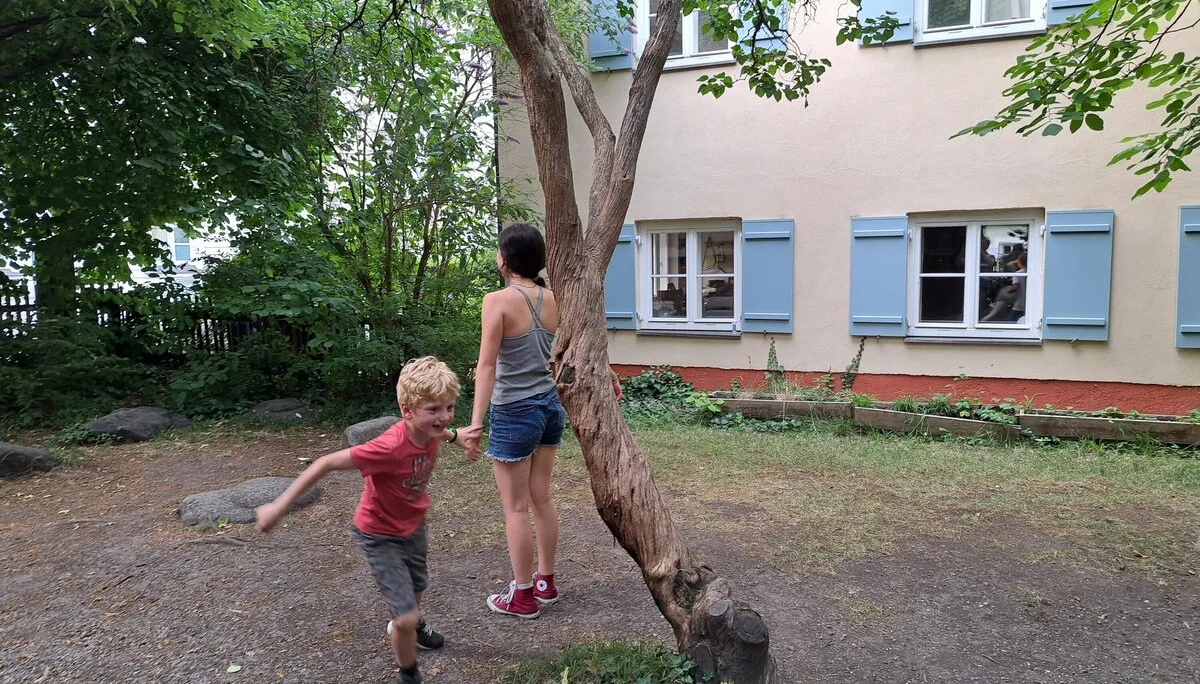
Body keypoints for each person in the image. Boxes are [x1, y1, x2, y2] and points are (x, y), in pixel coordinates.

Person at [254, 356, 480, 684]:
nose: (444, 416)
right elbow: (325, 463)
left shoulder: (431, 429)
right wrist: (278, 506)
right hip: (379, 534)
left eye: (449, 407)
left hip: (414, 524)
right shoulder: (388, 447)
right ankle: (408, 672)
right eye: (434, 409)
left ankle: (414, 626)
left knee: (418, 586)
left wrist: (456, 435)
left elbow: (440, 430)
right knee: (403, 617)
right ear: (407, 411)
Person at [459, 222, 621, 619]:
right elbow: (577, 345)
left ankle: (523, 596)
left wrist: (475, 424)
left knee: (515, 508)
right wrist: (610, 373)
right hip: (549, 407)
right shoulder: (553, 299)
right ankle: (545, 582)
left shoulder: (496, 301)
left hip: (514, 412)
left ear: (505, 258)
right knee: (541, 498)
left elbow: (487, 366)